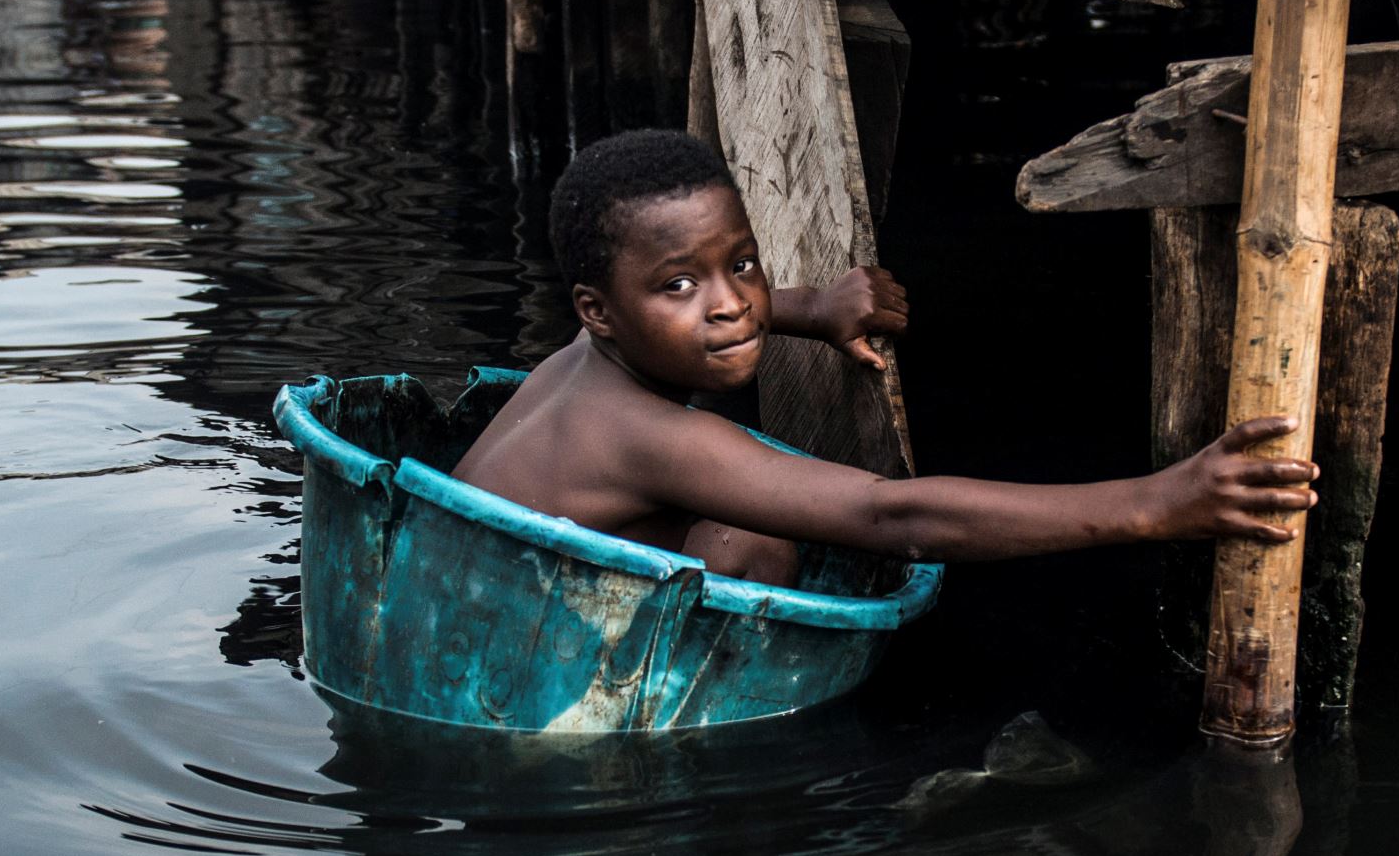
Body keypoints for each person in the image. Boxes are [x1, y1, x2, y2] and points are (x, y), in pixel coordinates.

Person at [453, 130, 1316, 585]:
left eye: (743, 264)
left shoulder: (582, 359)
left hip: (448, 581)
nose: (731, 304)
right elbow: (891, 518)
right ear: (598, 311)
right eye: (680, 285)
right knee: (754, 538)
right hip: (501, 676)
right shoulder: (650, 439)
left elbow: (710, 304)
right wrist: (1158, 504)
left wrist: (810, 308)